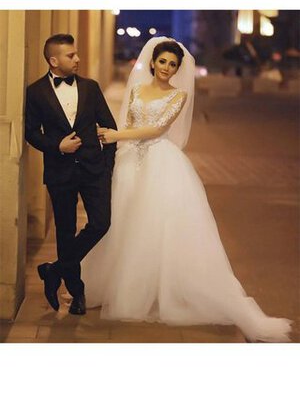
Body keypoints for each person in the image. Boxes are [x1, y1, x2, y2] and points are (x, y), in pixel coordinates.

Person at [81, 37, 292, 342]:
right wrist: (119, 148)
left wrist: (117, 135)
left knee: (159, 226)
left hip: (161, 164)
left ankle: (159, 292)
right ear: (152, 62)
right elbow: (129, 120)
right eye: (163, 61)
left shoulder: (178, 96)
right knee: (127, 224)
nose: (166, 68)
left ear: (178, 68)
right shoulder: (138, 89)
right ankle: (121, 286)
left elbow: (156, 130)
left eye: (172, 64)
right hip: (131, 163)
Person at [25, 34, 117, 315]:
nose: (77, 59)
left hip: (93, 169)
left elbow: (110, 129)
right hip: (59, 172)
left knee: (101, 223)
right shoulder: (36, 91)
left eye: (76, 54)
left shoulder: (91, 88)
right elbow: (30, 132)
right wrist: (58, 146)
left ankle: (54, 269)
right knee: (65, 233)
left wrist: (106, 167)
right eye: (70, 56)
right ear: (54, 61)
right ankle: (77, 293)